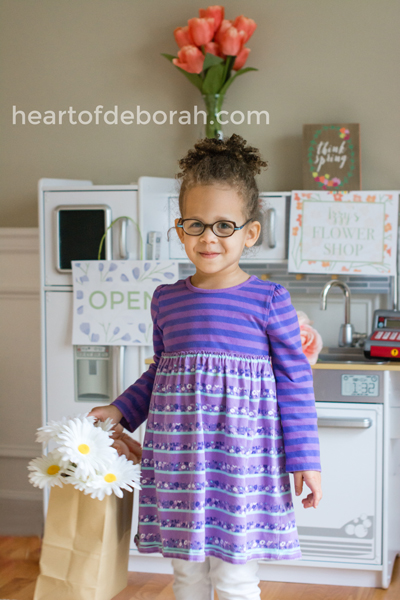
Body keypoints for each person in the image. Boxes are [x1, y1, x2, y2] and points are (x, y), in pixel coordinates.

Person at [89, 133, 322, 600]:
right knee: (187, 578)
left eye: (223, 226)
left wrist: (305, 460)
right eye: (195, 225)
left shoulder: (268, 300)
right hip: (179, 464)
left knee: (235, 580)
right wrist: (118, 411)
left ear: (249, 232)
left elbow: (294, 382)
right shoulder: (167, 300)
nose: (208, 238)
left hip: (244, 466)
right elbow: (160, 374)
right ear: (180, 230)